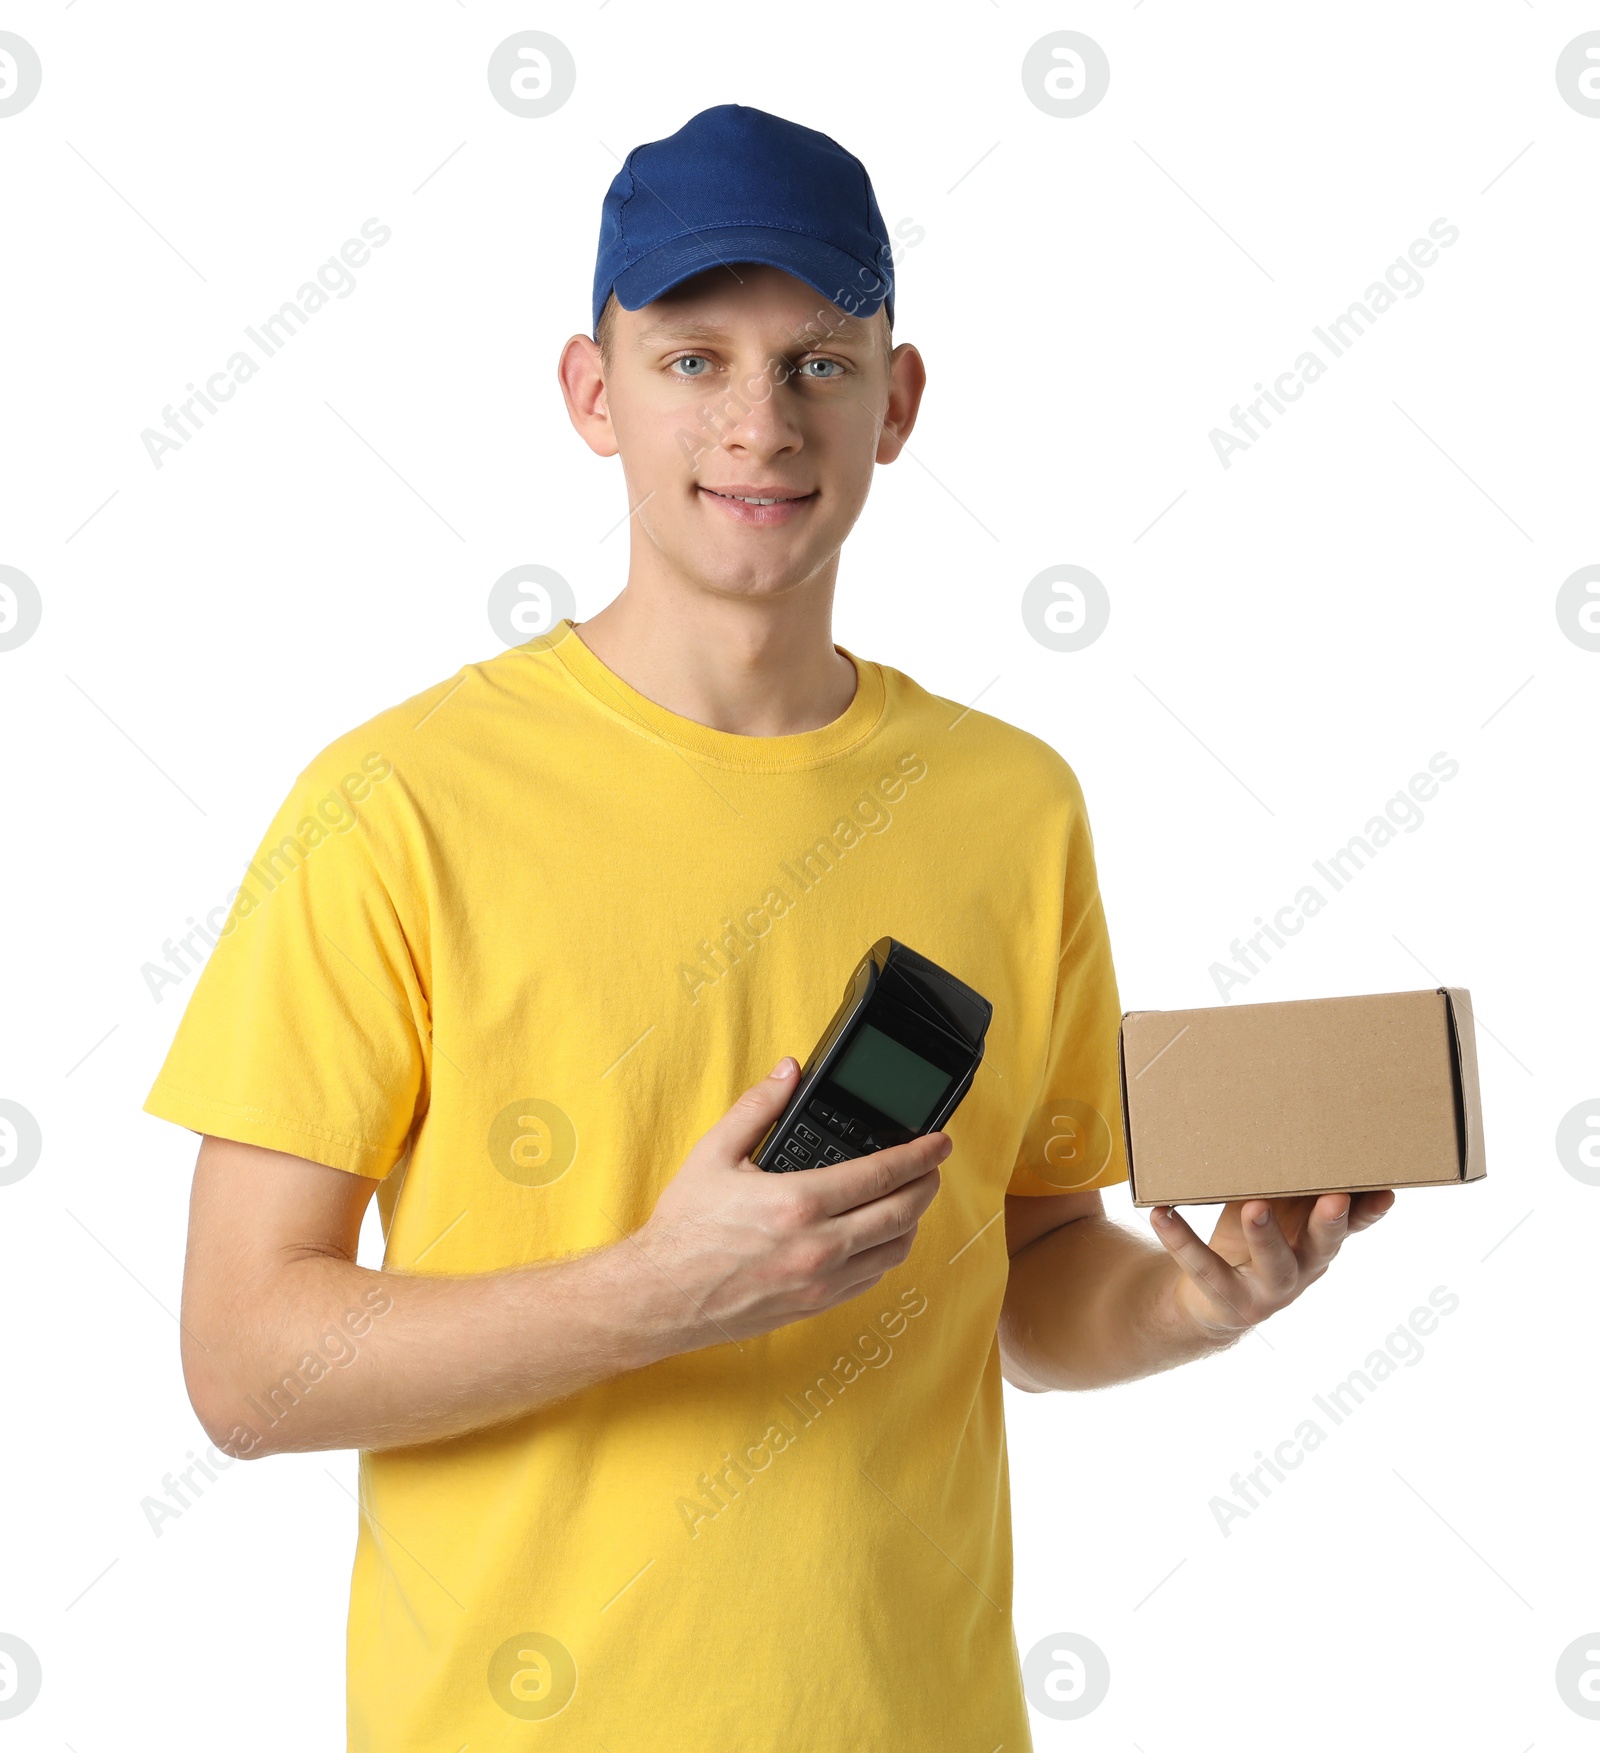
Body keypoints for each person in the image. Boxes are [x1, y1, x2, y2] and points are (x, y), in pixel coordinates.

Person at [145, 103, 1395, 1750]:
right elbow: (244, 1364)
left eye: (817, 360)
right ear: (593, 394)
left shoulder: (1011, 806)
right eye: (691, 360)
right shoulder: (394, 803)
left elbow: (1029, 1277)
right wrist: (661, 1290)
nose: (760, 421)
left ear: (901, 400)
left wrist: (1204, 1302)